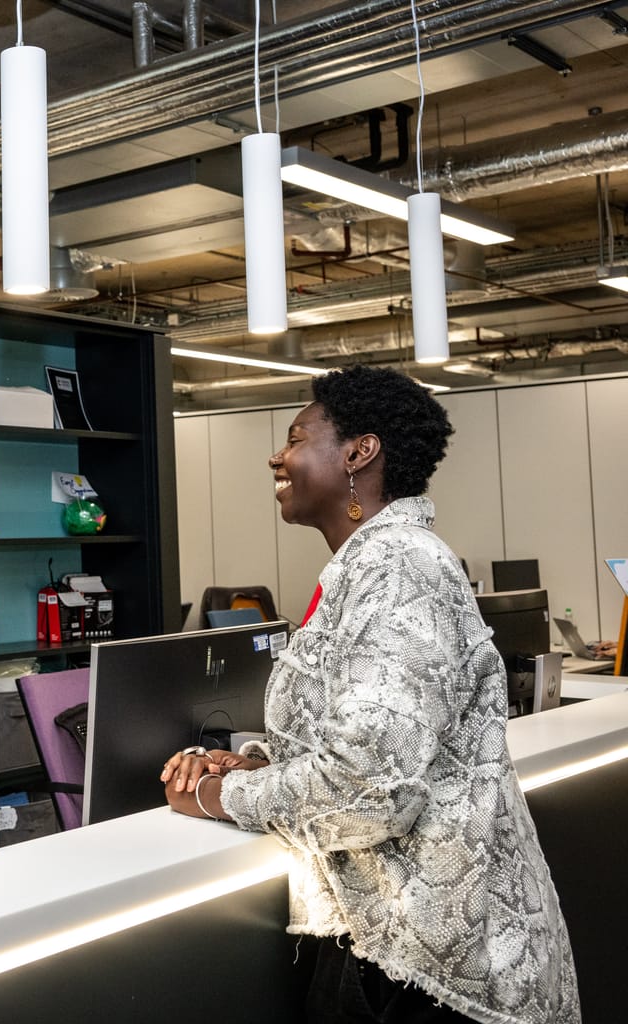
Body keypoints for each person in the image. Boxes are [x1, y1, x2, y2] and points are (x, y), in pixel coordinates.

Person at [160, 365, 579, 1023]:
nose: (278, 455)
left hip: (432, 971)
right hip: (397, 948)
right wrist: (270, 767)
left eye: (297, 437)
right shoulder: (371, 566)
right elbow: (378, 751)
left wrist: (215, 796)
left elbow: (368, 792)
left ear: (360, 452)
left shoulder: (399, 568)